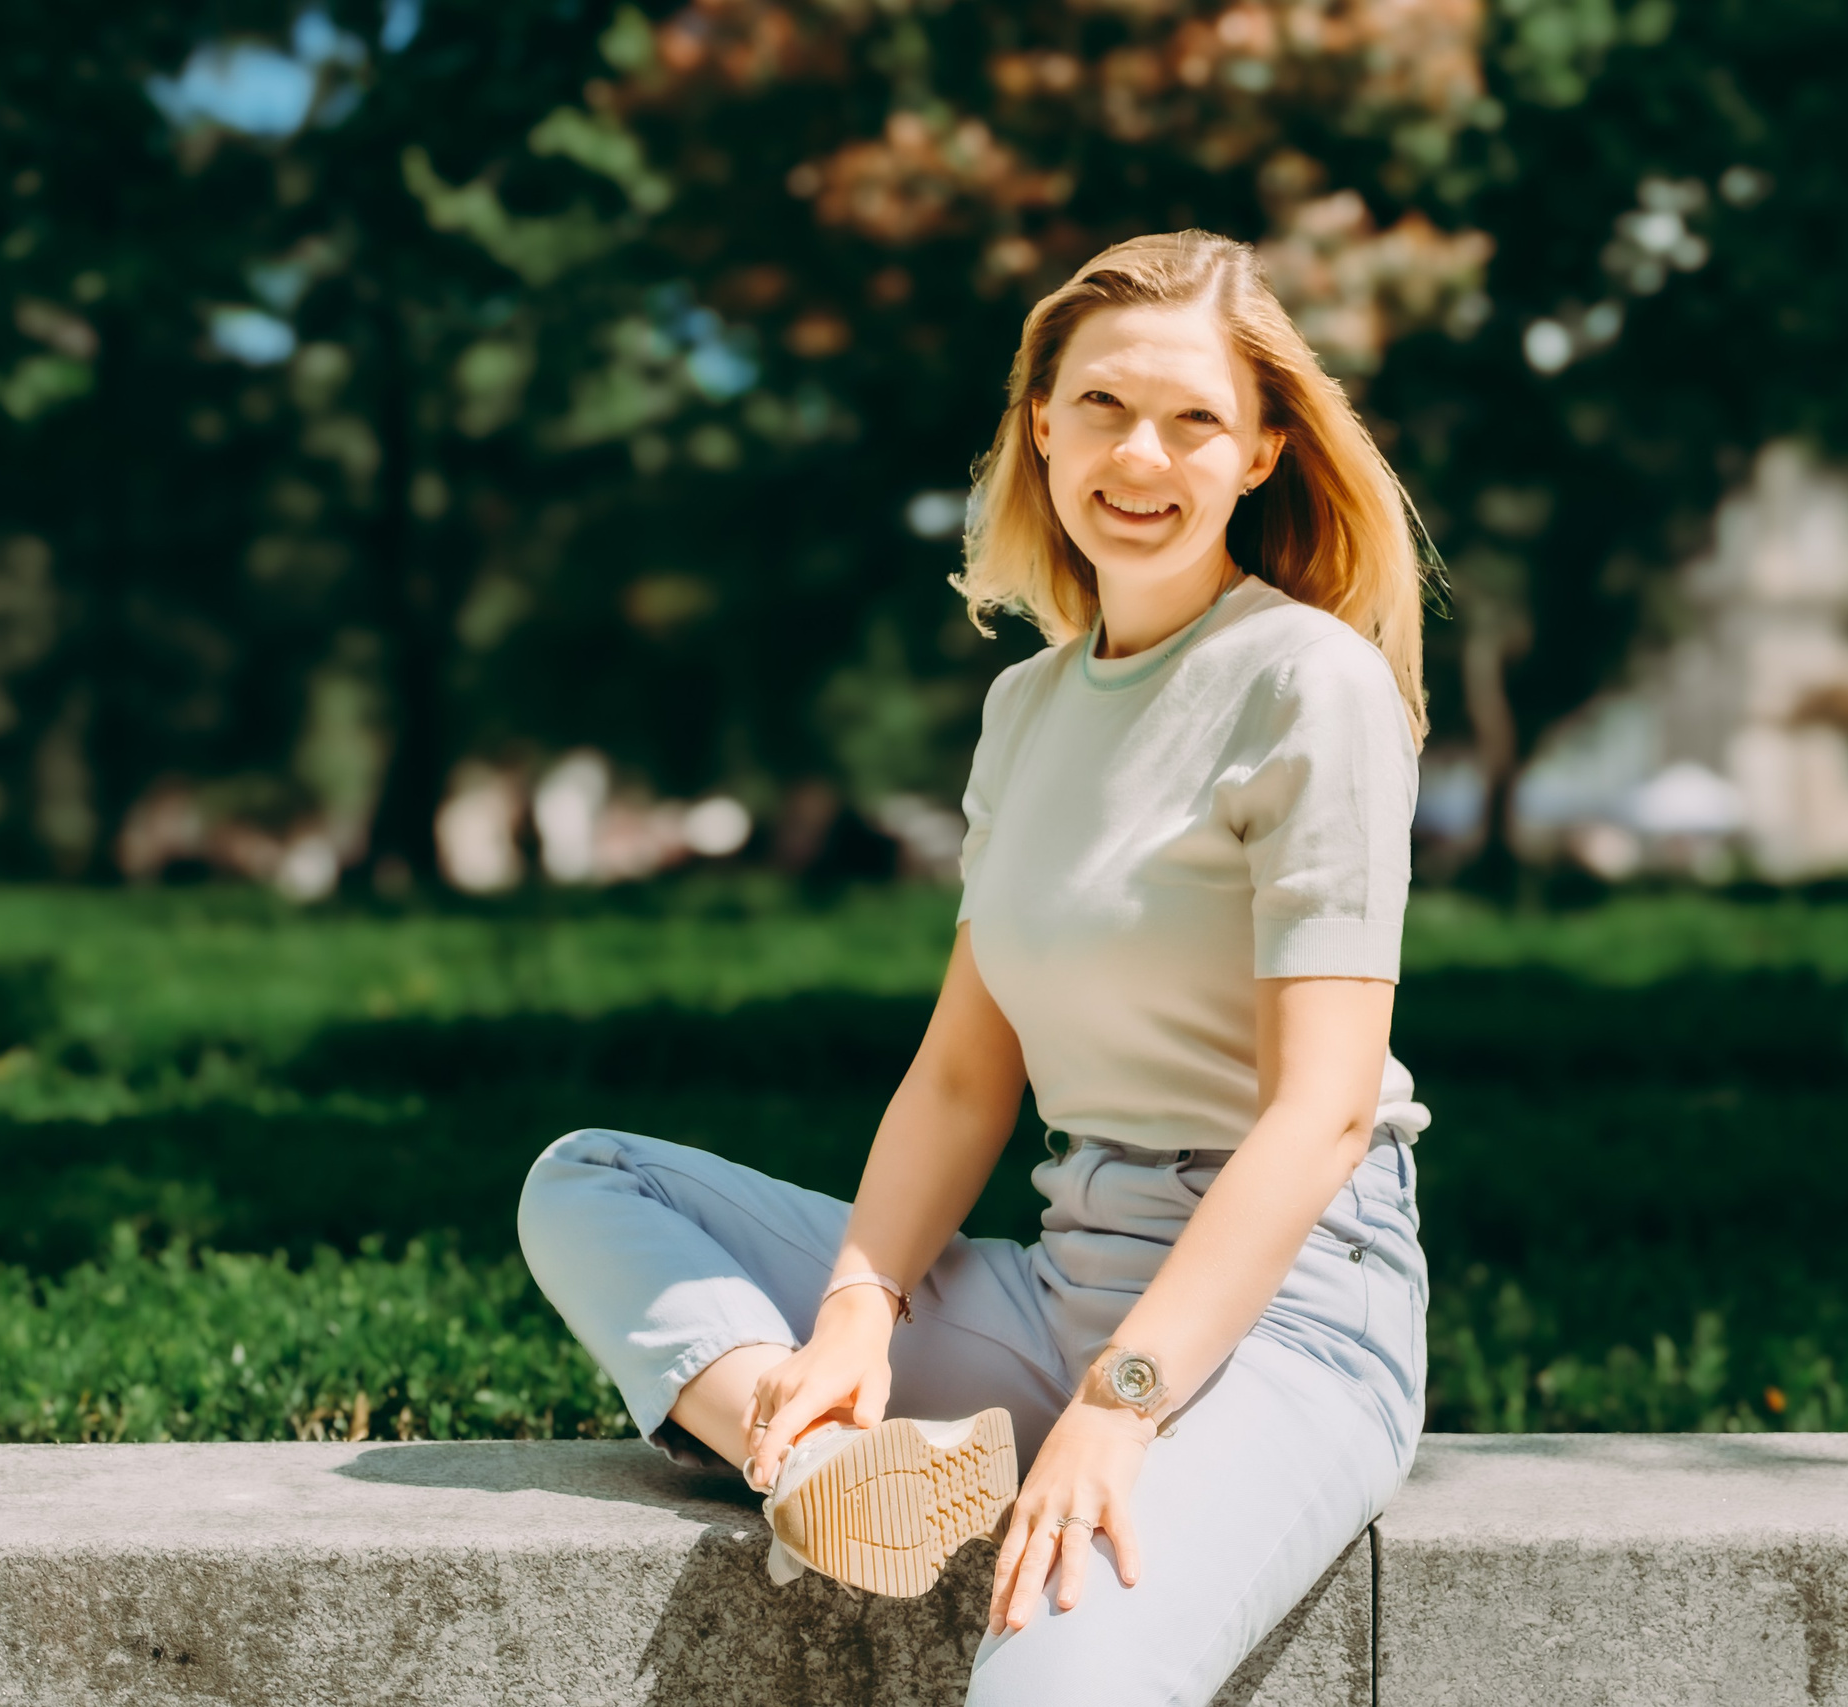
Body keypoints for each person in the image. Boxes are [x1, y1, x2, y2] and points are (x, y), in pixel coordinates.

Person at [517, 228, 1433, 1705]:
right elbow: (961, 1075)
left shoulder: (1308, 682)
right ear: (1043, 427)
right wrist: (852, 1321)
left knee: (1047, 1692)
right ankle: (814, 1455)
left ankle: (822, 1454)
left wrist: (1120, 1406)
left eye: (1197, 419)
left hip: (1287, 1317)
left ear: (1263, 452)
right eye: (1103, 408)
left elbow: (1322, 1113)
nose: (1143, 456)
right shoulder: (1025, 708)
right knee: (590, 1180)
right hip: (1071, 1267)